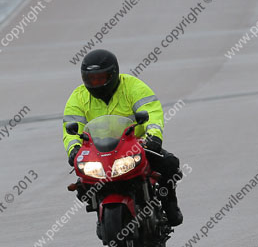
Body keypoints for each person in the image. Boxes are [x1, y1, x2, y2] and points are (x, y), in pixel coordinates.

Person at [62, 49, 184, 226]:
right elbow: (70, 127)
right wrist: (73, 148)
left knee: (169, 164)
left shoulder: (133, 87)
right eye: (91, 79)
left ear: (113, 74)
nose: (95, 83)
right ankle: (99, 211)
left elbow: (153, 111)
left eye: (100, 78)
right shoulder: (78, 97)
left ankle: (170, 203)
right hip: (98, 150)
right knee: (83, 184)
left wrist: (154, 137)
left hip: (135, 144)